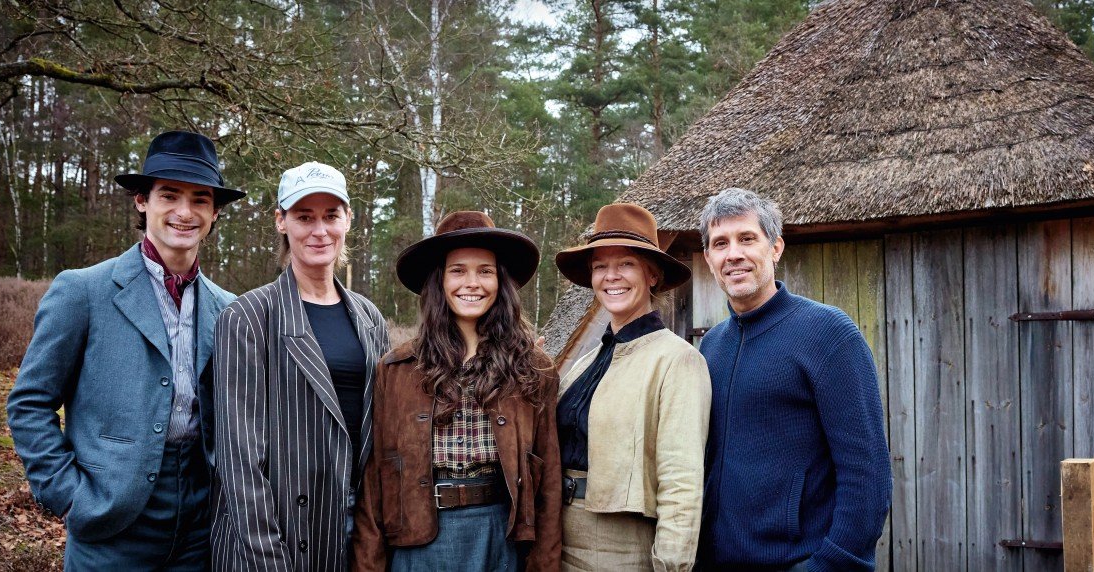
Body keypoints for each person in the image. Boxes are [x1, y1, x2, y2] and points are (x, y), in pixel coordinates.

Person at [7, 130, 246, 570]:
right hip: (109, 526)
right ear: (142, 200)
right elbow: (29, 402)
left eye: (199, 199)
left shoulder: (229, 308)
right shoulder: (83, 291)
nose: (184, 212)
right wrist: (68, 495)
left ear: (214, 213)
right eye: (169, 195)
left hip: (200, 529)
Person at [695, 188, 891, 571]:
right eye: (720, 243)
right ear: (708, 258)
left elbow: (867, 471)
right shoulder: (711, 347)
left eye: (747, 238)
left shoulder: (828, 334)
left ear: (775, 248)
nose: (733, 253)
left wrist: (835, 563)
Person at [354, 211, 562, 572]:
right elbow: (373, 484)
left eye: (485, 270)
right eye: (458, 270)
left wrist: (543, 564)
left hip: (500, 538)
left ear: (501, 281)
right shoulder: (396, 370)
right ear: (439, 280)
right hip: (419, 543)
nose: (472, 282)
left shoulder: (533, 368)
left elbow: (550, 483)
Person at [210, 162, 389, 571]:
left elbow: (380, 431)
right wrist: (267, 556)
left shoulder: (368, 316)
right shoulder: (248, 317)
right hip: (273, 531)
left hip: (349, 525)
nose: (319, 230)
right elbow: (239, 458)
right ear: (281, 221)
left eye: (331, 216)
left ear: (348, 219)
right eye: (304, 217)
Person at [552, 203, 712, 571]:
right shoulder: (584, 363)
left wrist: (670, 565)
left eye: (625, 264)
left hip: (623, 551)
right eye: (600, 267)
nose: (611, 276)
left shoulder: (677, 360)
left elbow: (682, 483)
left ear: (652, 275)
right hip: (560, 540)